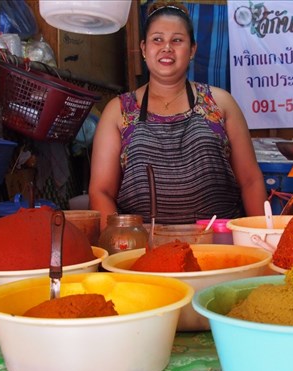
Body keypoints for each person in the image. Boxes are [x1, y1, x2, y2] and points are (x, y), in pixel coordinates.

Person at [89, 1, 267, 230]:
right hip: (145, 251)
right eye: (157, 39)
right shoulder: (119, 110)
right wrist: (126, 242)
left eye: (177, 40)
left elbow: (250, 181)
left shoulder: (220, 103)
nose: (167, 48)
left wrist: (261, 240)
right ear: (144, 49)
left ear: (192, 49)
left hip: (219, 246)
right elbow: (100, 191)